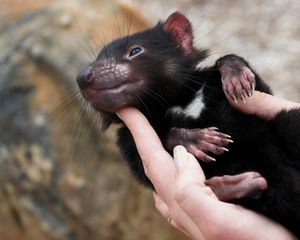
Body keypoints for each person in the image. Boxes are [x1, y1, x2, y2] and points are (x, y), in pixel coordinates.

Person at [117, 91, 299, 240]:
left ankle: (227, 194)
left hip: (273, 156)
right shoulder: (128, 137)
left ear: (183, 45)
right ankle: (236, 195)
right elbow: (147, 175)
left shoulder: (212, 77)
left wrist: (230, 65)